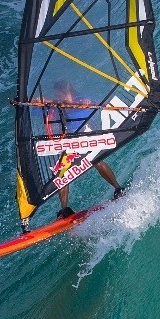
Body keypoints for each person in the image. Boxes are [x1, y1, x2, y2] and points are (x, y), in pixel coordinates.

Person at [48, 80, 125, 219]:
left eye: (59, 95)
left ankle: (118, 189)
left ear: (67, 92)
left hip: (85, 136)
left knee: (97, 162)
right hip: (70, 141)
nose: (57, 97)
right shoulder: (57, 105)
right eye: (56, 95)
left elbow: (91, 103)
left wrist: (87, 103)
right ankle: (64, 209)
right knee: (62, 173)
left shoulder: (80, 100)